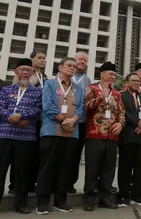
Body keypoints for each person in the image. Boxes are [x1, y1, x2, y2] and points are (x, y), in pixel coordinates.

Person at [36, 57, 85, 214]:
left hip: (71, 133)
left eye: (74, 66)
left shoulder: (78, 88)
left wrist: (74, 120)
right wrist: (64, 119)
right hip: (51, 131)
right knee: (47, 167)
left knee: (65, 168)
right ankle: (42, 202)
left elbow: (81, 108)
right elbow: (48, 105)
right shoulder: (50, 84)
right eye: (69, 65)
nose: (72, 68)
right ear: (60, 67)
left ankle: (60, 201)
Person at [0, 58, 42, 214]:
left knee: (22, 172)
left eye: (28, 69)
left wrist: (21, 116)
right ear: (16, 72)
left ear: (32, 73)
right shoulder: (5, 90)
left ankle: (21, 203)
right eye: (22, 69)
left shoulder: (37, 92)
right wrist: (13, 117)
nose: (25, 72)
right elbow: (0, 107)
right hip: (5, 134)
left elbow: (37, 110)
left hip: (26, 137)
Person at [83, 61, 125, 211]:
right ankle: (89, 197)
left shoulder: (117, 93)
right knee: (92, 168)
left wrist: (120, 124)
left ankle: (106, 196)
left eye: (115, 74)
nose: (113, 76)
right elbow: (87, 106)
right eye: (111, 74)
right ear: (102, 74)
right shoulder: (92, 89)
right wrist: (102, 97)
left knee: (109, 169)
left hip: (112, 136)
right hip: (94, 135)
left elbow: (121, 113)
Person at [9, 51, 48, 195]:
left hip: (39, 119)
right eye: (39, 58)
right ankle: (14, 185)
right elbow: (15, 97)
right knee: (19, 155)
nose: (42, 61)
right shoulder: (24, 75)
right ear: (32, 59)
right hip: (22, 120)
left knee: (34, 154)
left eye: (44, 58)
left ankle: (30, 183)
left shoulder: (44, 76)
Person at [118, 73, 141, 207]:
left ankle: (137, 195)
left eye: (138, 81)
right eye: (133, 81)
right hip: (128, 135)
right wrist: (137, 122)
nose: (136, 83)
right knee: (125, 167)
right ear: (127, 82)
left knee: (139, 168)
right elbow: (124, 112)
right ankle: (123, 196)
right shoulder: (121, 95)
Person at [69, 51, 92, 194]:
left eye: (85, 60)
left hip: (81, 122)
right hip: (64, 120)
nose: (82, 62)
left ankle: (70, 182)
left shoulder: (87, 80)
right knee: (64, 153)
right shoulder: (64, 76)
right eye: (80, 59)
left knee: (76, 154)